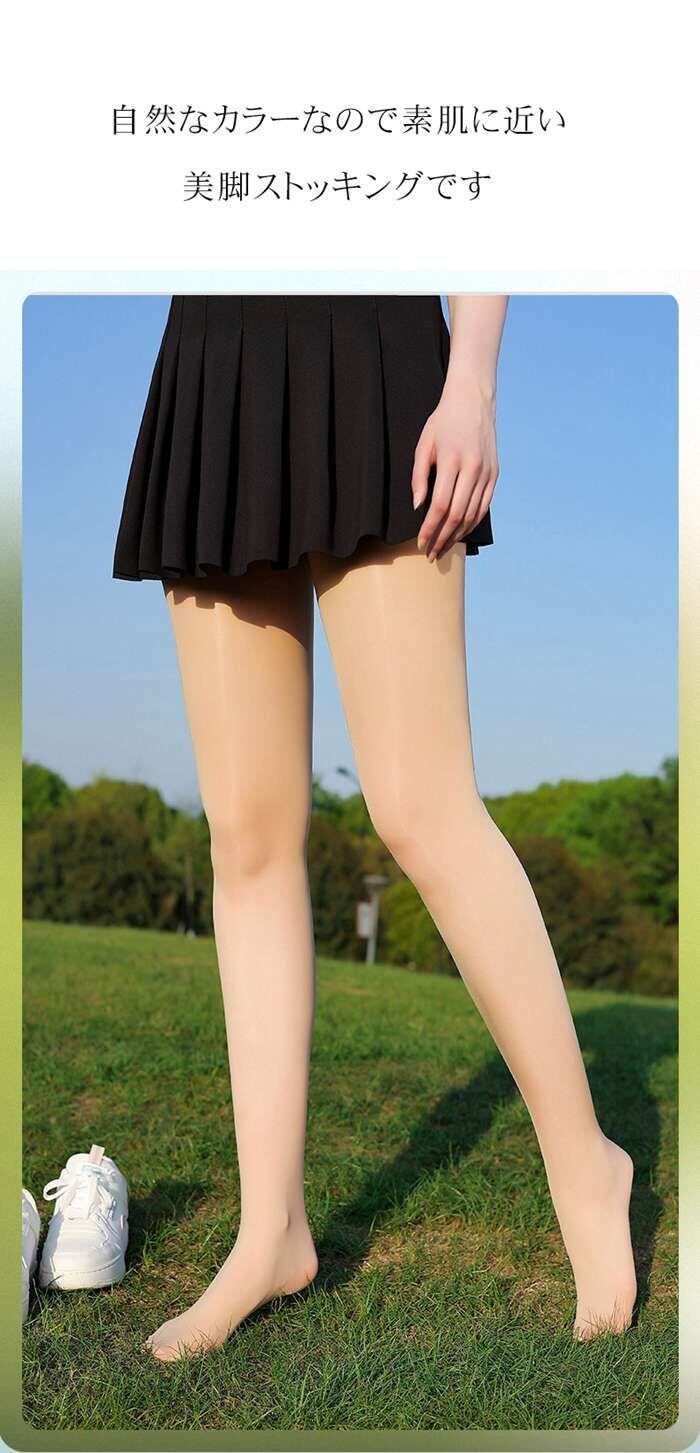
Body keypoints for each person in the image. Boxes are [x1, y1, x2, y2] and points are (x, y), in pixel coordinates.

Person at [112, 293, 636, 1361]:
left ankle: (588, 1165)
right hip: (216, 363)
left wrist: (472, 380)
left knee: (420, 806)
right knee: (246, 835)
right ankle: (271, 1232)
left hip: (372, 345)